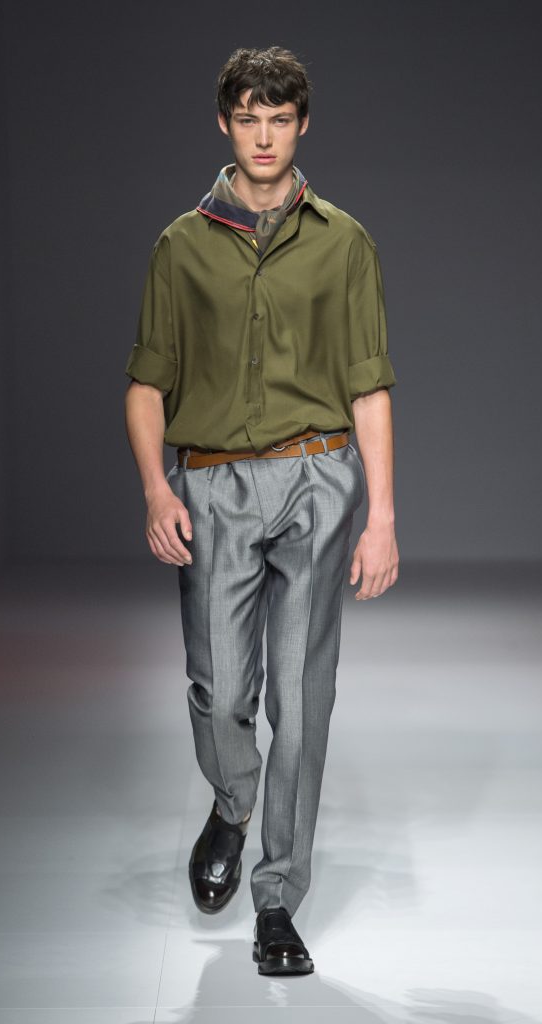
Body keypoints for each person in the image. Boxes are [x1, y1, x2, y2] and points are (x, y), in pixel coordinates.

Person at [124, 45, 398, 976]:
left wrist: (382, 516)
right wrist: (157, 487)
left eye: (280, 119)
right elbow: (146, 383)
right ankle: (233, 801)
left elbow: (368, 386)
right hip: (212, 486)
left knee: (303, 697)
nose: (265, 136)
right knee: (220, 688)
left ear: (302, 124)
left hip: (318, 478)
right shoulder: (180, 245)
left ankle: (276, 901)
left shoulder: (344, 242)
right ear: (225, 123)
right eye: (249, 118)